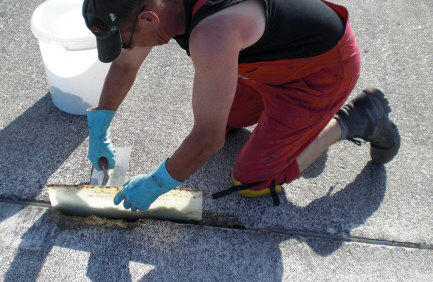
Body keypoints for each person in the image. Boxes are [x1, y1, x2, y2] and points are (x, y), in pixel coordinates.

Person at [82, 0, 400, 210]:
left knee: (250, 180)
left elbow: (208, 140)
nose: (128, 49)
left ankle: (352, 119)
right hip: (270, 63)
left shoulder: (212, 32)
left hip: (321, 70)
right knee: (226, 117)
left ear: (148, 17)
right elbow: (125, 66)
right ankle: (298, 130)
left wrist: (156, 184)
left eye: (125, 41)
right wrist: (100, 125)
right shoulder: (155, 6)